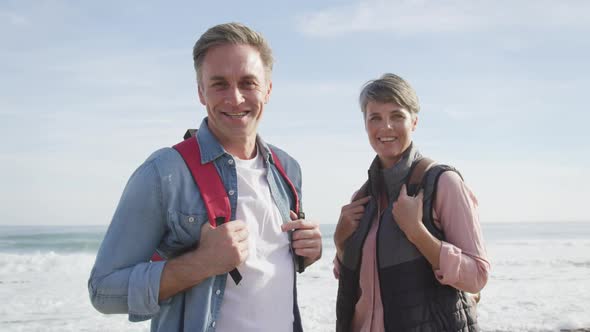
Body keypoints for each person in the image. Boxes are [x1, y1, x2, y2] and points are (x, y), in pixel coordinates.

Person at [88, 22, 322, 332]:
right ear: (201, 91)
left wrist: (307, 252)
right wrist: (203, 262)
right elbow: (103, 290)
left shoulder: (287, 169)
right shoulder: (164, 173)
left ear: (268, 89)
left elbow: (266, 270)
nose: (235, 98)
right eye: (220, 84)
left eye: (248, 82)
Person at [333, 73, 490, 332]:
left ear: (414, 122)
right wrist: (340, 242)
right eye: (375, 118)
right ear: (365, 125)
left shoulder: (443, 184)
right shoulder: (362, 199)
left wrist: (417, 232)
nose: (386, 128)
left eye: (397, 116)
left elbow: (477, 277)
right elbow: (361, 284)